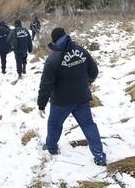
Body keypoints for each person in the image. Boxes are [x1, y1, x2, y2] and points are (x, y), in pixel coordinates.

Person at [37, 27, 107, 166]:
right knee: (88, 125)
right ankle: (99, 155)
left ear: (54, 41)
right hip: (81, 97)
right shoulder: (81, 51)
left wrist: (41, 104)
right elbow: (94, 70)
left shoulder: (53, 59)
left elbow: (46, 84)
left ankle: (51, 148)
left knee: (54, 124)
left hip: (61, 102)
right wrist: (88, 82)